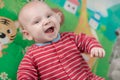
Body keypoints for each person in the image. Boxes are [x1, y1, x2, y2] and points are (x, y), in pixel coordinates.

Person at [17, 1, 105, 80]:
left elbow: (86, 40)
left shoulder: (70, 37)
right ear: (28, 34)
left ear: (57, 18)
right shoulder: (32, 55)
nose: (46, 21)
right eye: (37, 21)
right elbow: (25, 71)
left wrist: (94, 47)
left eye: (48, 16)